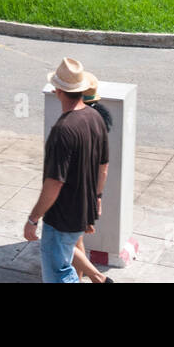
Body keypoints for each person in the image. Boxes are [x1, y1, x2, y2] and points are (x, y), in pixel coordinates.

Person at [24, 58, 109, 284]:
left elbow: (54, 183)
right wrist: (96, 199)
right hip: (82, 210)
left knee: (59, 275)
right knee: (68, 256)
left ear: (58, 90)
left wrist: (33, 219)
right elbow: (103, 168)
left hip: (61, 217)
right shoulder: (95, 119)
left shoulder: (62, 130)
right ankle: (99, 279)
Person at [70, 76, 114, 284]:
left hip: (72, 192)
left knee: (61, 243)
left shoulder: (76, 124)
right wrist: (97, 197)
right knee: (76, 242)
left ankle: (100, 279)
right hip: (88, 191)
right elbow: (103, 169)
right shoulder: (99, 124)